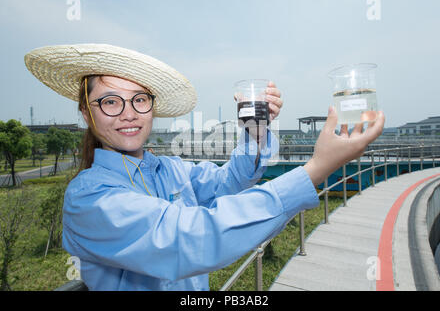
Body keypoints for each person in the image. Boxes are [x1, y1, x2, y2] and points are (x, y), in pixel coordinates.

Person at [24, 44, 385, 291]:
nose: (129, 113)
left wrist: (255, 131)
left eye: (139, 99)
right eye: (110, 102)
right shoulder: (88, 197)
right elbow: (190, 236)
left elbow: (232, 180)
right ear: (86, 113)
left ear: (152, 106)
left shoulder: (171, 169)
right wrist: (316, 169)